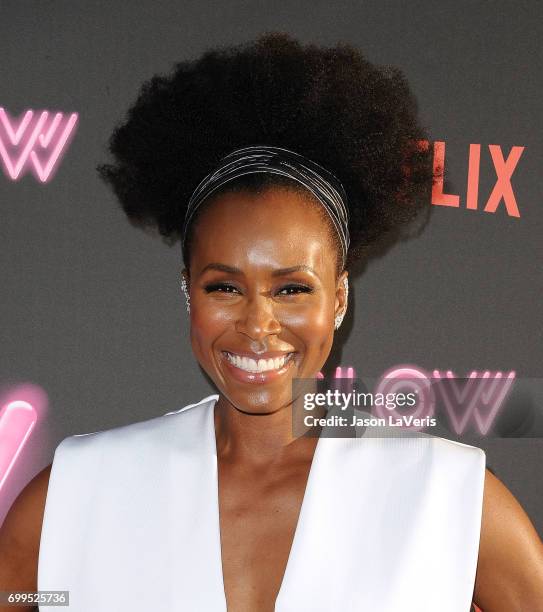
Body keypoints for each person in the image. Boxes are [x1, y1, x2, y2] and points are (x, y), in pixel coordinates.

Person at [1, 33, 542, 612]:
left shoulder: (448, 499)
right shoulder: (80, 492)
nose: (257, 324)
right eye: (225, 287)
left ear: (338, 298)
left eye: (291, 289)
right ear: (189, 291)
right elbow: (35, 596)